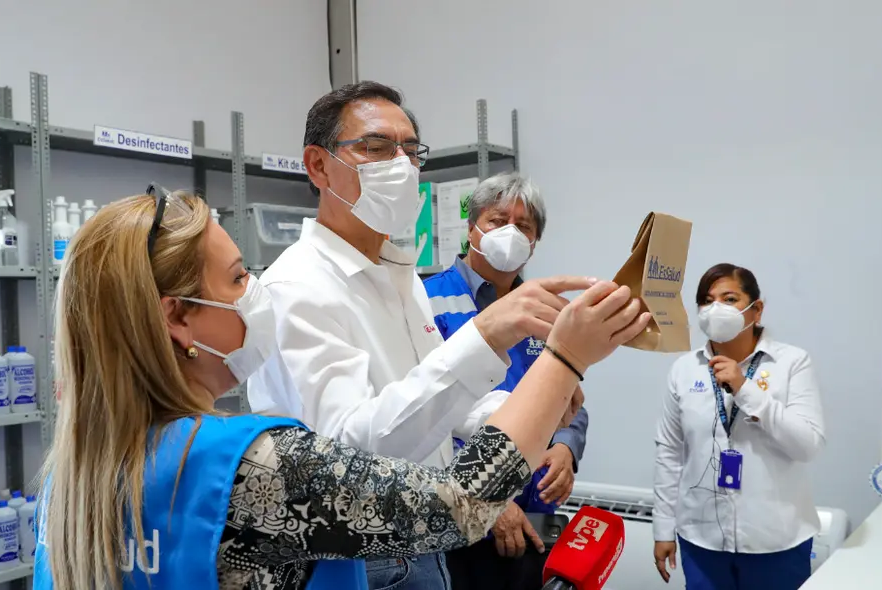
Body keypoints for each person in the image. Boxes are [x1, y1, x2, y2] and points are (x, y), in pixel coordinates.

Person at [33, 187, 653, 590]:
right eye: (239, 277)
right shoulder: (243, 464)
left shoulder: (70, 480)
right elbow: (457, 505)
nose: (257, 295)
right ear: (177, 316)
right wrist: (565, 360)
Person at [246, 81, 608, 589]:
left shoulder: (399, 276)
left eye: (410, 150)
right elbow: (348, 454)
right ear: (317, 165)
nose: (400, 165)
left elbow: (444, 408)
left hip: (424, 540)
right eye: (375, 148)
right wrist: (483, 334)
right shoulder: (297, 286)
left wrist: (537, 404)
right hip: (360, 554)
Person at [423, 172, 588, 590]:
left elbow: (570, 396)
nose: (511, 232)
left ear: (534, 242)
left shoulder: (545, 308)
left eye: (524, 226)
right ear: (472, 227)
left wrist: (566, 448)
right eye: (498, 221)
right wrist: (490, 501)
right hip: (459, 521)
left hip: (537, 514)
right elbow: (424, 419)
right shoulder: (426, 302)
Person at [652, 263, 826, 590]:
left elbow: (808, 445)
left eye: (729, 299)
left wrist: (746, 390)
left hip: (776, 541)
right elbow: (670, 453)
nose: (715, 308)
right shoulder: (684, 369)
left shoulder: (792, 362)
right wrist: (662, 528)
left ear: (756, 309)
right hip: (701, 539)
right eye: (707, 300)